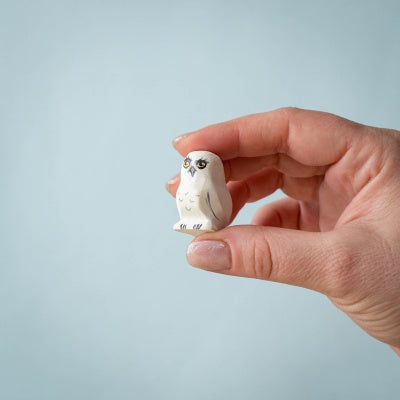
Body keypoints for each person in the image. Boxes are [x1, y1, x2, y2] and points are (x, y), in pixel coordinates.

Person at [165, 107, 400, 356]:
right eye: (189, 164)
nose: (191, 169)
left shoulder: (214, 187)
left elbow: (213, 204)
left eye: (199, 165)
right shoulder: (189, 185)